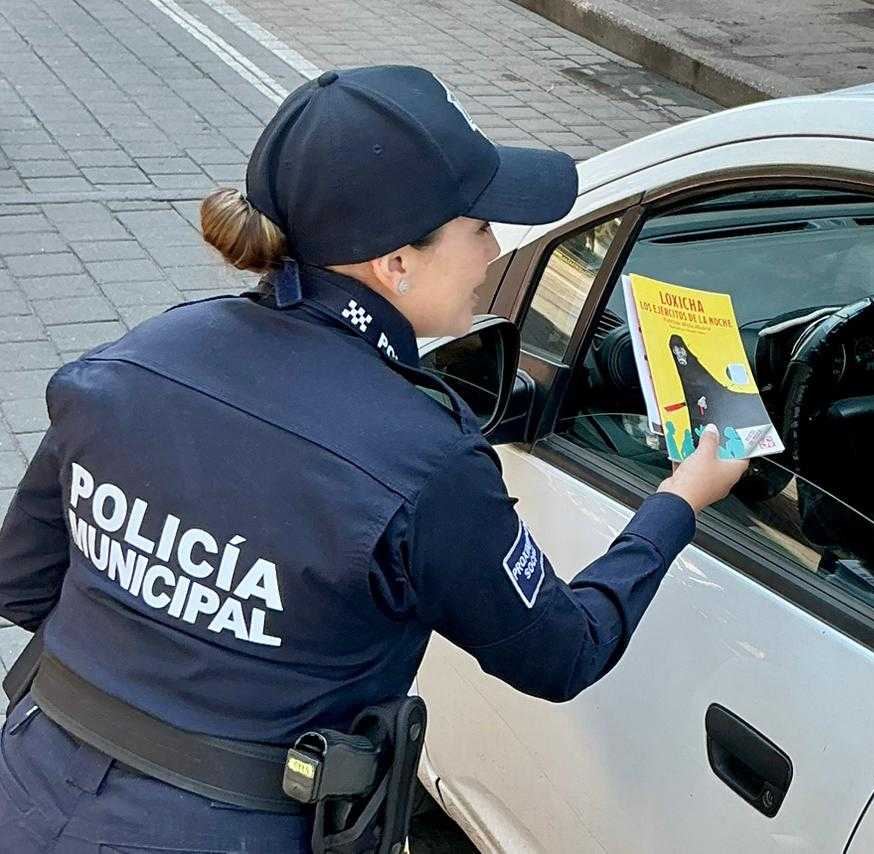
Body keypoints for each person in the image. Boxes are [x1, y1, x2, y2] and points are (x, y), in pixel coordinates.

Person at [0, 65, 746, 853]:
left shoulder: (135, 360)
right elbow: (567, 651)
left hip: (30, 788)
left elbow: (22, 582)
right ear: (395, 262)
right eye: (479, 226)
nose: (495, 252)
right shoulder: (429, 464)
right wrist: (680, 500)